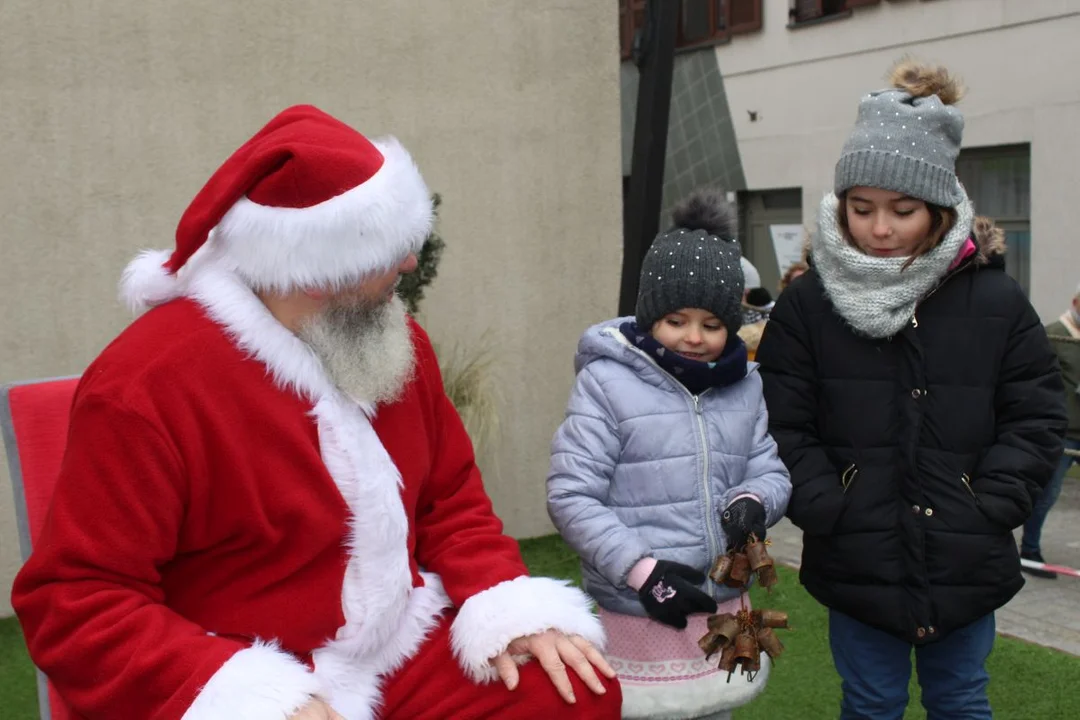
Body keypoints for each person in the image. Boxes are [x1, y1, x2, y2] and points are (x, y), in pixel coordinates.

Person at [11, 105, 621, 720]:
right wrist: (257, 699)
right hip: (243, 670)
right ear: (318, 272)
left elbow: (449, 500)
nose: (410, 266)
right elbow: (76, 599)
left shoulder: (394, 346)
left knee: (568, 688)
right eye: (390, 251)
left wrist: (507, 608)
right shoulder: (145, 387)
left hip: (398, 648)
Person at [756, 60, 1066, 719]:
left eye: (903, 210)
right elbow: (782, 419)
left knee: (961, 699)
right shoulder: (808, 305)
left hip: (965, 554)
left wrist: (992, 502)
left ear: (940, 209)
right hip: (856, 553)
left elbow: (1036, 416)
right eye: (861, 208)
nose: (880, 228)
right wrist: (824, 502)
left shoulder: (998, 301)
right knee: (870, 702)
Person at [547, 189, 792, 720]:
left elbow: (768, 467)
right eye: (677, 319)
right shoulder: (606, 385)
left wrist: (755, 499)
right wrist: (641, 571)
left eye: (711, 324)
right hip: (639, 603)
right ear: (649, 316)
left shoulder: (744, 386)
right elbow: (571, 495)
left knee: (717, 707)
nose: (693, 338)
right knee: (644, 710)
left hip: (723, 598)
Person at [1020, 283, 1080, 578]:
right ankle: (1030, 549)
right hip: (1065, 431)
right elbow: (1039, 379)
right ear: (1075, 301)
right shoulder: (1055, 333)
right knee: (1048, 493)